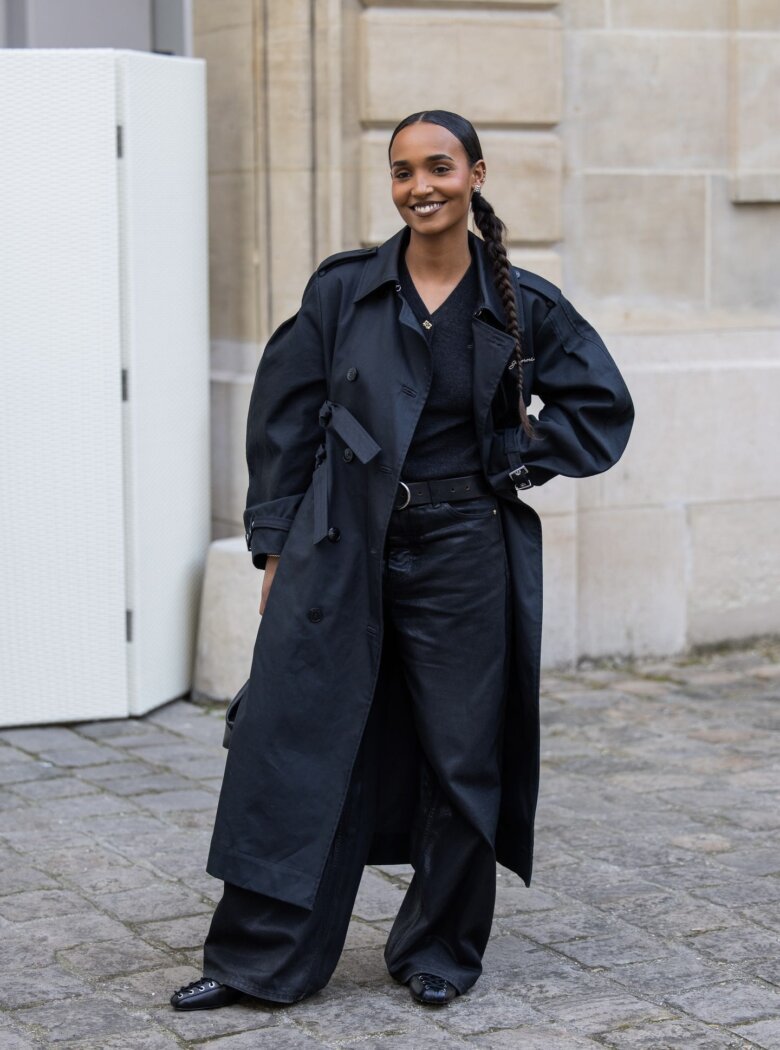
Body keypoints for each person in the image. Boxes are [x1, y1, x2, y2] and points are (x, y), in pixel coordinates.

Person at [170, 110, 634, 1012]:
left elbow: (599, 409)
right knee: (295, 739)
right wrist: (274, 540)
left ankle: (440, 950)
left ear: (475, 175)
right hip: (341, 544)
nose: (419, 186)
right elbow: (286, 416)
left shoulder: (522, 301)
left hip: (467, 550)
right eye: (401, 171)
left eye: (437, 168)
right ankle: (257, 960)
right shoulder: (344, 292)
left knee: (461, 757)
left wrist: (513, 458)